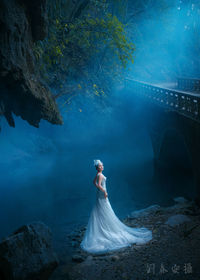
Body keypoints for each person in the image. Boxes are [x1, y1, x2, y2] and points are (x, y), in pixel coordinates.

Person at [80, 159, 153, 254]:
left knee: (101, 210)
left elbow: (94, 183)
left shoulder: (98, 175)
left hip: (99, 195)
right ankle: (106, 227)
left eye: (102, 165)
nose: (102, 166)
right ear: (98, 168)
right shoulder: (100, 175)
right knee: (105, 210)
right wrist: (104, 191)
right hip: (102, 194)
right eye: (101, 166)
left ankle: (104, 226)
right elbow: (98, 184)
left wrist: (101, 190)